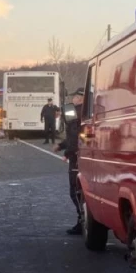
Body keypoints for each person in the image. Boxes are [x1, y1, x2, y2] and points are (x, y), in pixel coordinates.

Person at [53, 88, 84, 235]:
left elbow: (74, 136)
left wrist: (67, 152)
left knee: (75, 191)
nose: (73, 100)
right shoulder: (90, 112)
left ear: (80, 98)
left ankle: (82, 220)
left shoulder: (73, 113)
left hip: (77, 157)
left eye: (76, 97)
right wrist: (61, 145)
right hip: (86, 154)